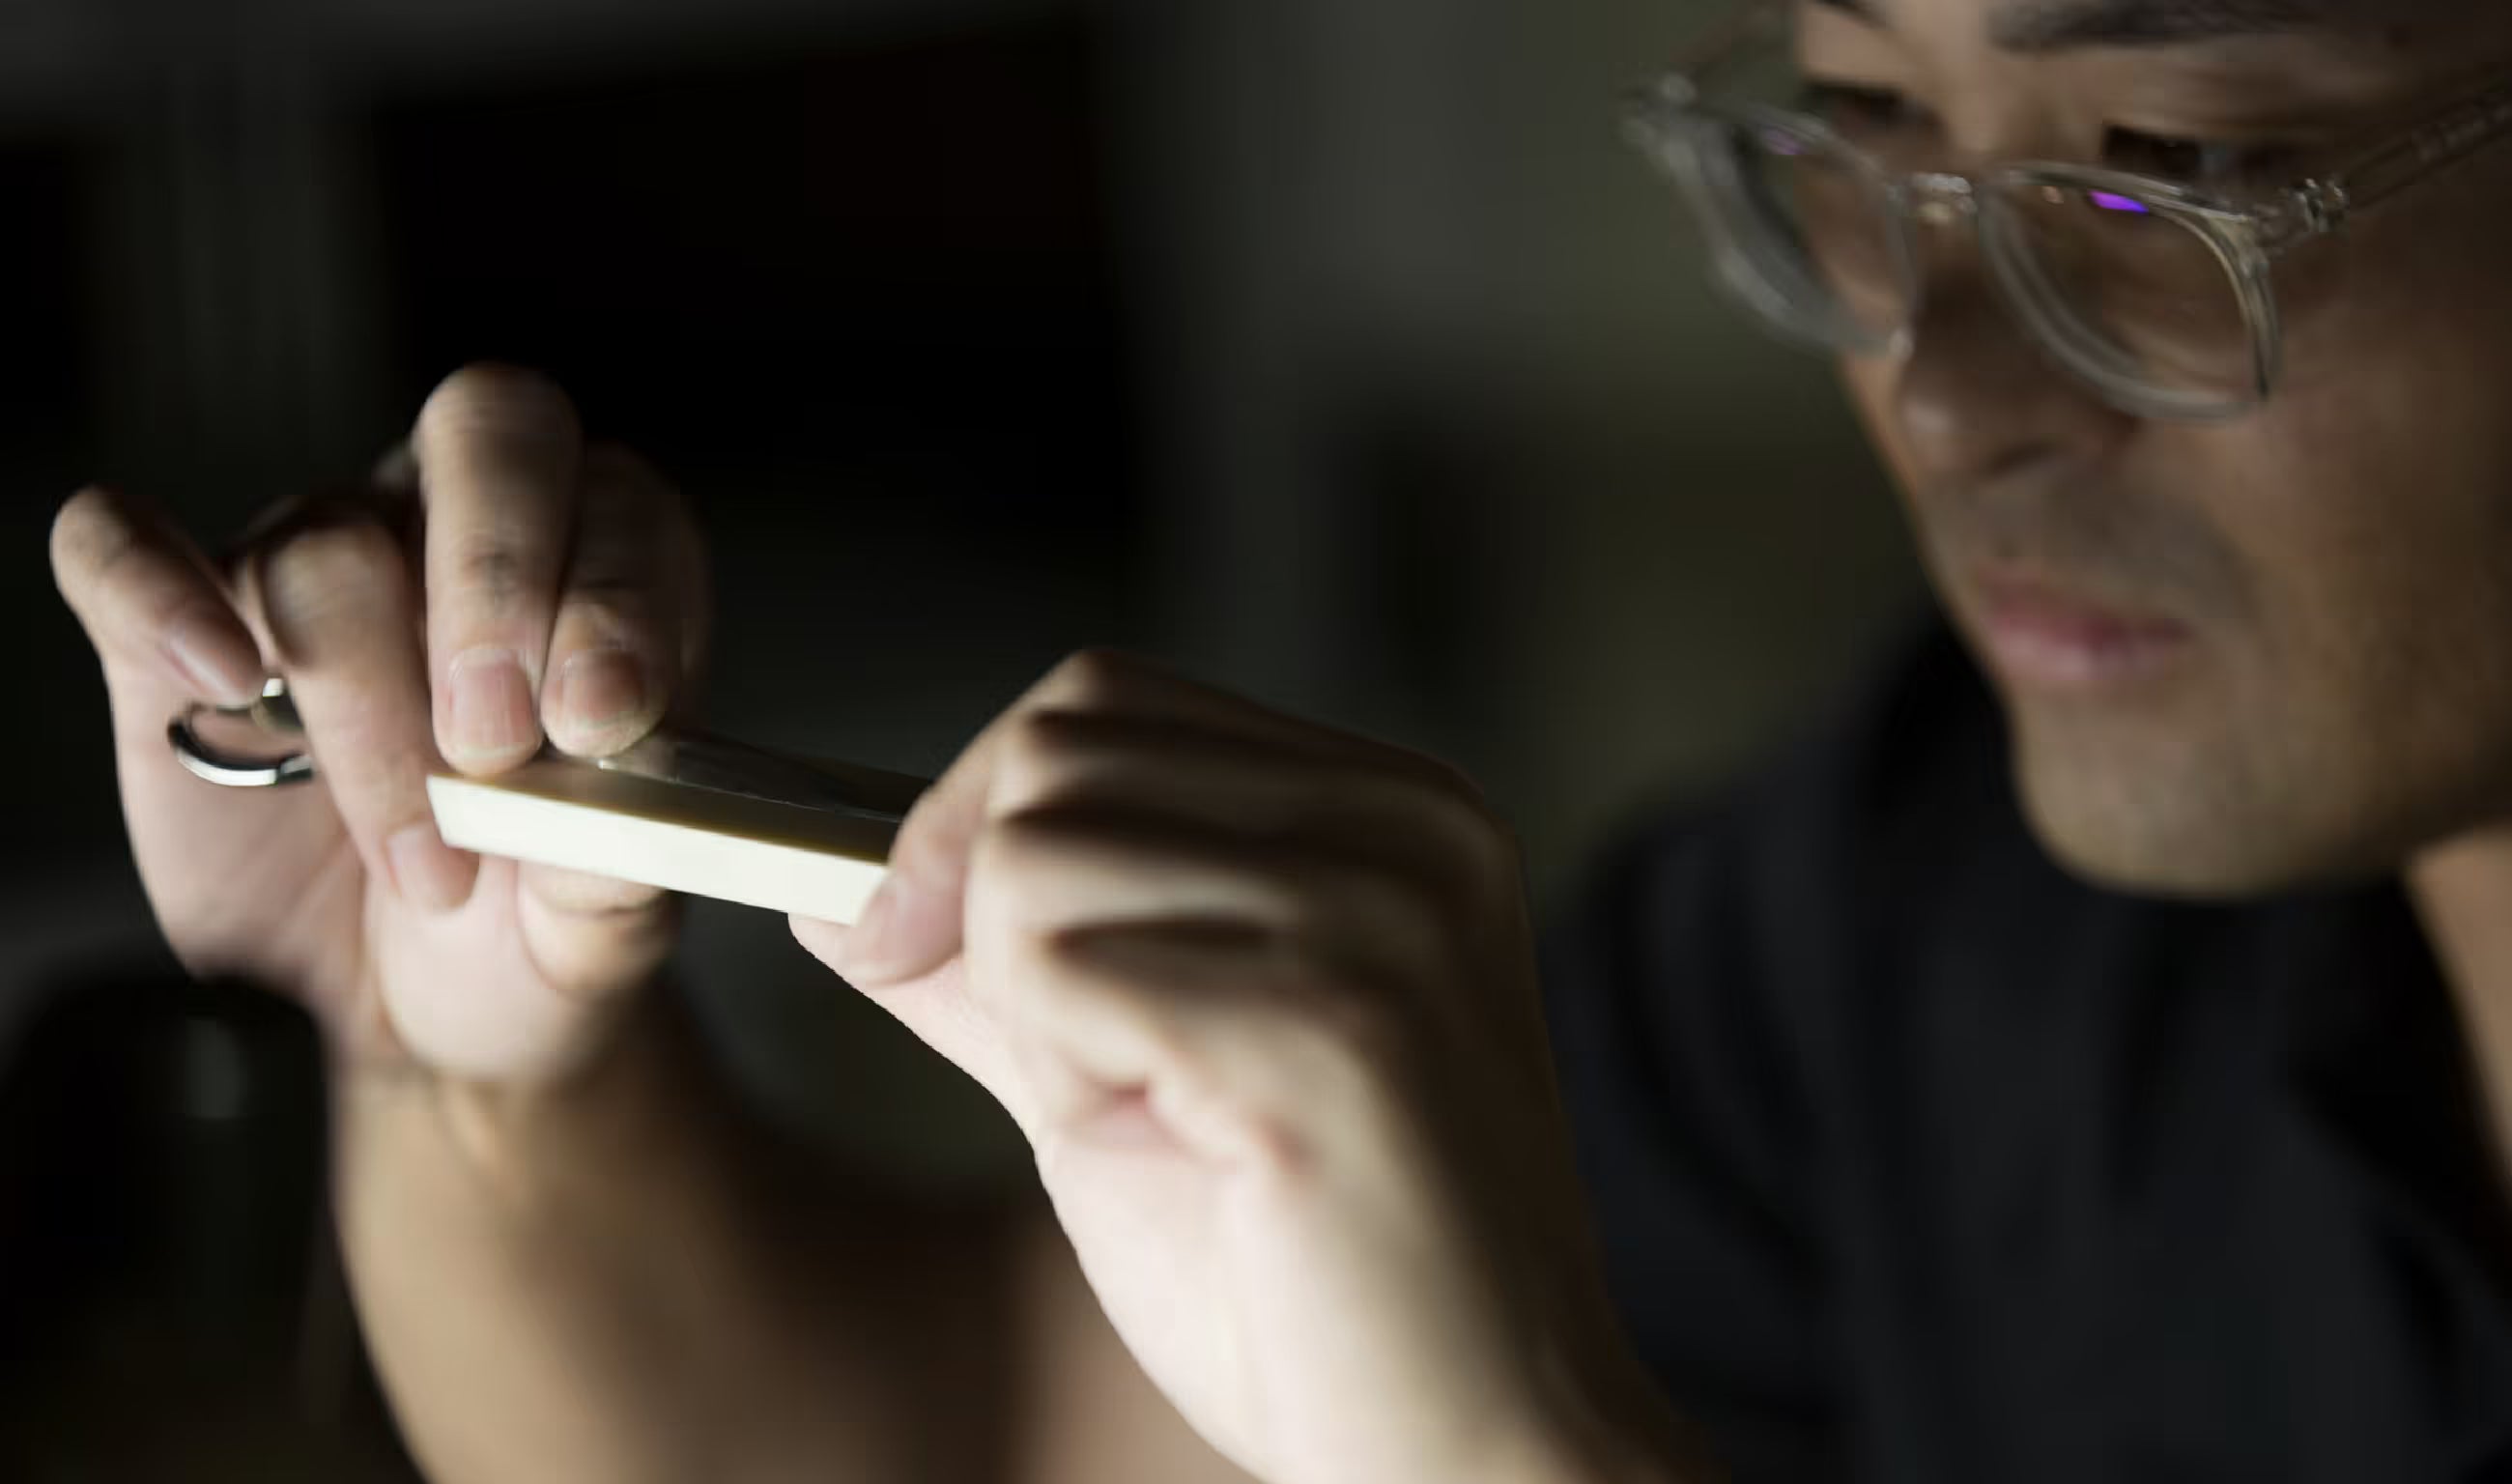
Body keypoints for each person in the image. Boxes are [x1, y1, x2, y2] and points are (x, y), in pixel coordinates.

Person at [41, 0, 2512, 1478]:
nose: (1946, 394)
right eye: (1864, 130)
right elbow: (957, 1439)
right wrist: (472, 1064)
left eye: (2173, 175)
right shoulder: (1930, 926)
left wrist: (1505, 1453)